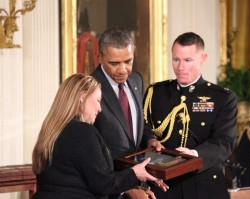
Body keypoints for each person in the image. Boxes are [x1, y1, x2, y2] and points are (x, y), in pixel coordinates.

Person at [32, 74, 166, 199]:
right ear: (82, 97)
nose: (99, 108)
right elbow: (104, 184)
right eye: (97, 100)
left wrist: (131, 186)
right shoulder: (83, 132)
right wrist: (134, 173)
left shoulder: (50, 129)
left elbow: (84, 179)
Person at [143, 32, 237, 199]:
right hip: (164, 187)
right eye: (176, 59)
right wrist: (151, 140)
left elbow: (224, 142)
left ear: (202, 59)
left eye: (187, 60)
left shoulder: (222, 97)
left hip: (204, 186)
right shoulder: (156, 93)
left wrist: (193, 155)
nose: (180, 67)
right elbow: (143, 127)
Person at [91, 27, 163, 160]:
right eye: (114, 63)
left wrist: (150, 139)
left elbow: (138, 122)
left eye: (128, 61)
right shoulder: (88, 88)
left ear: (134, 52)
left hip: (139, 172)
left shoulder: (137, 80)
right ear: (99, 57)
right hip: (110, 174)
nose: (123, 70)